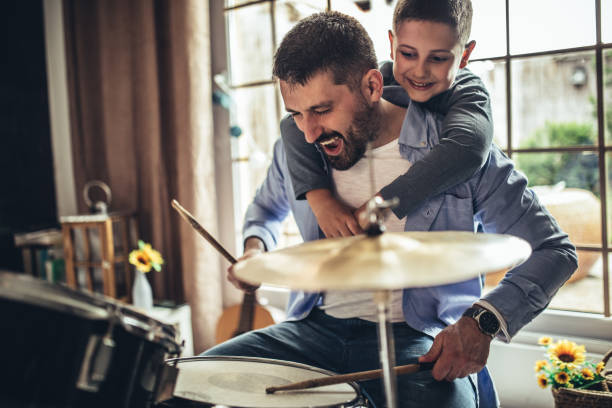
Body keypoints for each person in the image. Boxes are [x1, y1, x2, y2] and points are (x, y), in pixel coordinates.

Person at [204, 11, 577, 408]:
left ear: (371, 84)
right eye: (296, 113)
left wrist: (480, 322)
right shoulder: (300, 150)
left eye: (322, 110)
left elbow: (554, 251)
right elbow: (264, 210)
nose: (308, 131)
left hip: (417, 340)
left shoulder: (456, 154)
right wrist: (254, 247)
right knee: (177, 386)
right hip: (311, 331)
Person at [281, 0, 491, 239]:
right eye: (408, 53)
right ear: (392, 46)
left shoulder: (467, 91)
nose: (420, 71)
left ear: (464, 56)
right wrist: (320, 199)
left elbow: (468, 147)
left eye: (439, 58)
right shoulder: (381, 78)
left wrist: (384, 202)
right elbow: (289, 126)